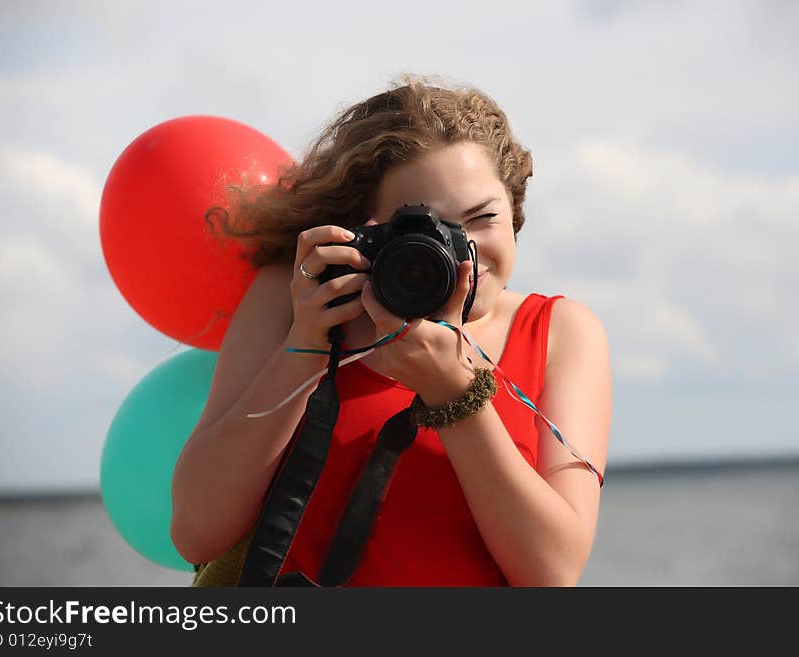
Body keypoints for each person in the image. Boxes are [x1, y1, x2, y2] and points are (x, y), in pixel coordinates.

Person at [170, 75, 612, 587]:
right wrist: (307, 349)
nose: (460, 250)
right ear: (365, 231)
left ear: (514, 209)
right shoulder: (295, 299)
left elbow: (553, 574)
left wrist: (457, 395)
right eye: (424, 229)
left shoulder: (561, 331)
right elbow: (196, 533)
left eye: (481, 218)